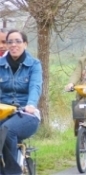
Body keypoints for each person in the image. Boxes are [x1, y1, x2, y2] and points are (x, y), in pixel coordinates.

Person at [0, 29, 42, 174]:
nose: (13, 45)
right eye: (9, 42)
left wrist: (31, 104)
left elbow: (35, 86)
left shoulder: (34, 64)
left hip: (26, 114)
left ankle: (12, 172)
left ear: (25, 44)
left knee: (7, 130)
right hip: (4, 112)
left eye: (18, 41)